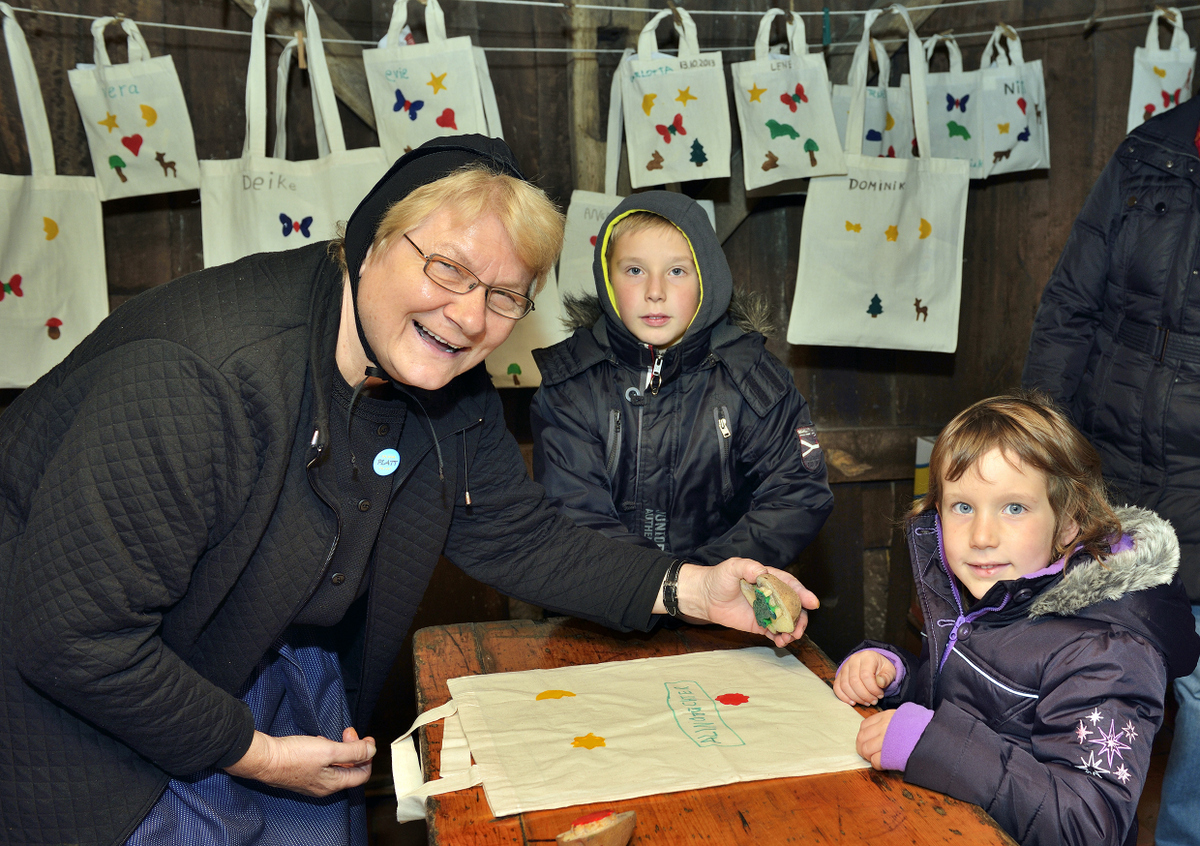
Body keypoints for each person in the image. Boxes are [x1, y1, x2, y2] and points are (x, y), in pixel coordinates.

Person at [0, 136, 819, 846]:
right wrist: (255, 752)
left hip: (245, 653)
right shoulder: (201, 376)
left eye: (505, 297)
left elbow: (520, 538)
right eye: (448, 269)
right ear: (368, 240)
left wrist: (698, 588)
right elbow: (73, 639)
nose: (470, 317)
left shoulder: (446, 390)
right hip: (70, 704)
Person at [832, 392, 1200, 846]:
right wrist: (895, 676)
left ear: (1068, 523)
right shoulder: (994, 593)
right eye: (962, 507)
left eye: (1014, 508)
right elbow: (968, 705)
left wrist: (933, 745)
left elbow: (1086, 824)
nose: (982, 536)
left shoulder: (1111, 654)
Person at [1020, 96, 1200, 846]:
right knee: (1091, 687)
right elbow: (1070, 307)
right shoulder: (1150, 149)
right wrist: (1040, 459)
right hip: (1110, 480)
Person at [530, 191, 833, 567]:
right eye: (635, 270)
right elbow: (573, 515)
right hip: (599, 603)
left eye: (677, 271)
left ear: (707, 279)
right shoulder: (571, 385)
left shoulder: (751, 380)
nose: (655, 292)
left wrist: (703, 584)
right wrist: (668, 588)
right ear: (608, 281)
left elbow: (797, 495)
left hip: (726, 602)